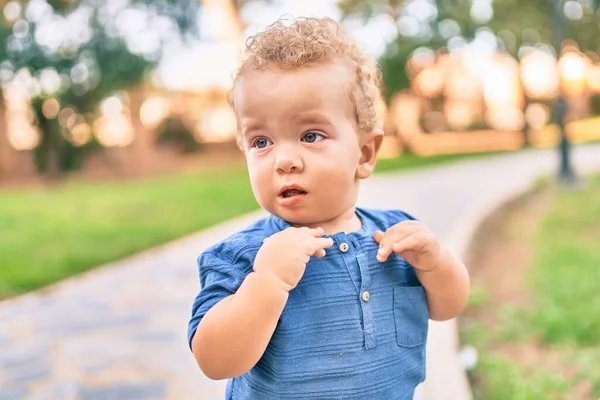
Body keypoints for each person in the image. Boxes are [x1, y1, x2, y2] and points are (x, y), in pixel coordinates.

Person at [187, 16, 470, 400]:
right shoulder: (246, 256)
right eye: (261, 141)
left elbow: (448, 306)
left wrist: (435, 263)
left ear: (365, 153)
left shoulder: (396, 238)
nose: (283, 160)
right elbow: (214, 360)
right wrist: (266, 283)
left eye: (310, 135)